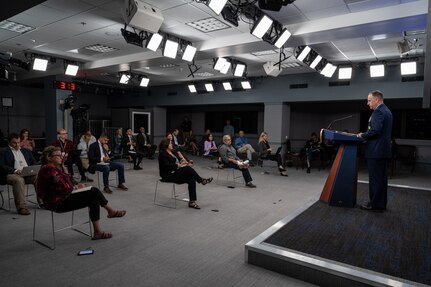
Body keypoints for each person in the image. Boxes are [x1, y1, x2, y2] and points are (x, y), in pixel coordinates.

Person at [37, 146, 126, 240]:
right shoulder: (47, 169)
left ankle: (98, 232)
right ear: (49, 157)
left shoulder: (55, 168)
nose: (60, 156)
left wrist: (63, 166)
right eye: (58, 155)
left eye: (61, 154)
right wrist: (75, 187)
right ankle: (111, 211)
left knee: (93, 199)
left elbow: (67, 181)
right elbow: (63, 187)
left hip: (63, 198)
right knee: (94, 191)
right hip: (57, 203)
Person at [357, 90, 393, 211]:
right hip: (382, 151)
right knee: (382, 180)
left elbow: (375, 130)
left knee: (376, 180)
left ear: (377, 100)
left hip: (376, 151)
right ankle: (381, 204)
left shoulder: (378, 112)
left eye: (369, 100)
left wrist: (363, 135)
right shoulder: (387, 111)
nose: (368, 103)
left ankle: (375, 205)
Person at [158, 139, 212, 209]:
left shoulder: (173, 152)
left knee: (191, 179)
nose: (171, 145)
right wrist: (179, 165)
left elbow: (178, 160)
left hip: (176, 172)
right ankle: (201, 180)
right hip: (168, 175)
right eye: (170, 144)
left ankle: (192, 202)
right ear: (166, 145)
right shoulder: (162, 155)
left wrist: (184, 162)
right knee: (187, 169)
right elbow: (166, 167)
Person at [0, 133, 38, 215]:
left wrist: (33, 169)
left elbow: (34, 162)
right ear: (9, 142)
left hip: (26, 173)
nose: (17, 144)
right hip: (11, 174)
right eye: (14, 143)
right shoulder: (3, 151)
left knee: (38, 177)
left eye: (18, 142)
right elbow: (2, 166)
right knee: (18, 180)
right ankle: (21, 207)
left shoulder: (26, 151)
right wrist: (15, 170)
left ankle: (43, 202)